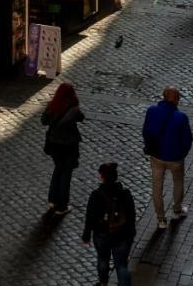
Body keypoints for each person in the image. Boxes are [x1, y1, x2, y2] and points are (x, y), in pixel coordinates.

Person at [142, 86, 193, 230]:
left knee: (157, 187)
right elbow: (188, 139)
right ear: (176, 100)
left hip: (157, 156)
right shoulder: (181, 117)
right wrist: (182, 153)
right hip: (175, 158)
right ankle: (177, 210)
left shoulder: (152, 111)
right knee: (178, 182)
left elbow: (146, 131)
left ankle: (161, 219)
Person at [82, 162, 137, 286]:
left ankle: (103, 282)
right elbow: (131, 215)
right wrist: (131, 232)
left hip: (102, 234)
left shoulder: (96, 195)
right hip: (122, 235)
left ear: (102, 177)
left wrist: (86, 235)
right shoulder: (125, 194)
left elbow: (90, 217)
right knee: (121, 265)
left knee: (102, 259)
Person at [43, 82, 85, 214]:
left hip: (54, 144)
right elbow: (81, 117)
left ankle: (52, 200)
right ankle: (62, 205)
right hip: (68, 145)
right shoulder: (73, 109)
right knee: (66, 174)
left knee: (58, 170)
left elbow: (44, 120)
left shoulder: (53, 105)